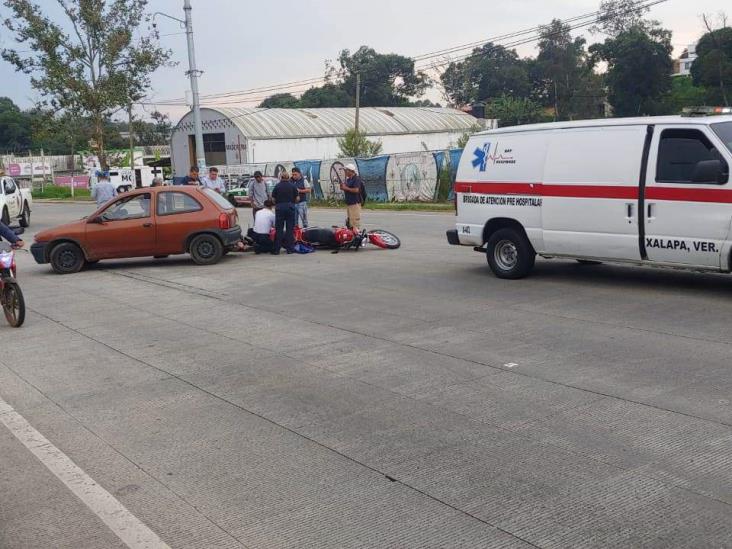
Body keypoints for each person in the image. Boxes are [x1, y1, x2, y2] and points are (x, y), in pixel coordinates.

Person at [271, 171, 299, 255]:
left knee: (279, 229)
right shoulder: (293, 186)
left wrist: (278, 204)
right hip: (290, 207)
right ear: (288, 177)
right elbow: (297, 198)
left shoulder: (277, 186)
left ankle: (276, 250)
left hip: (280, 208)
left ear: (281, 177)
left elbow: (273, 199)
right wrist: (292, 203)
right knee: (289, 229)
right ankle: (290, 249)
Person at [340, 163, 365, 230]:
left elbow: (356, 190)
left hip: (355, 204)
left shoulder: (356, 179)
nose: (345, 172)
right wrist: (342, 187)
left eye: (346, 170)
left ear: (351, 171)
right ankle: (352, 238)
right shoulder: (348, 180)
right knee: (350, 223)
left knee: (355, 224)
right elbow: (346, 189)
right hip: (349, 203)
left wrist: (346, 188)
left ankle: (357, 238)